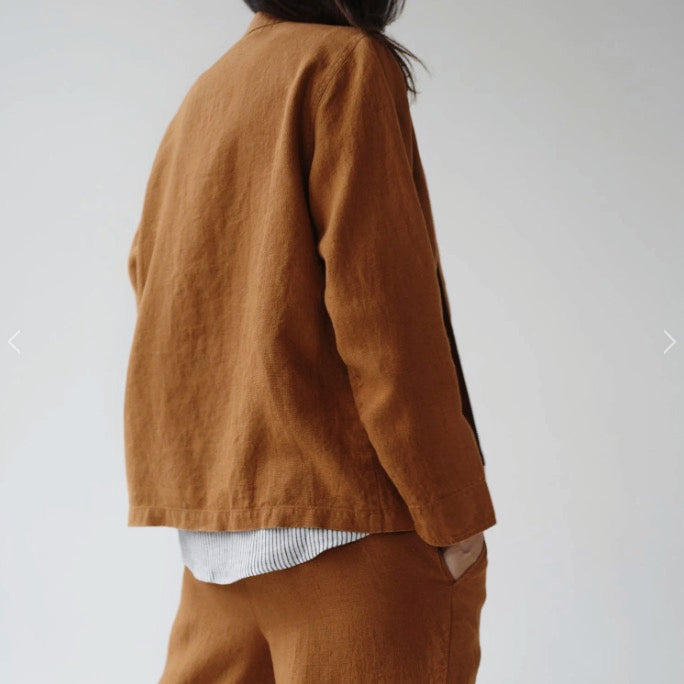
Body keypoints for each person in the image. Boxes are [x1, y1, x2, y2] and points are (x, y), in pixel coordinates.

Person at [123, 1, 497, 681]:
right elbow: (383, 311)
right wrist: (453, 514)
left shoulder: (210, 89)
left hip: (219, 549)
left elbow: (151, 277)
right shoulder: (345, 63)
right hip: (355, 536)